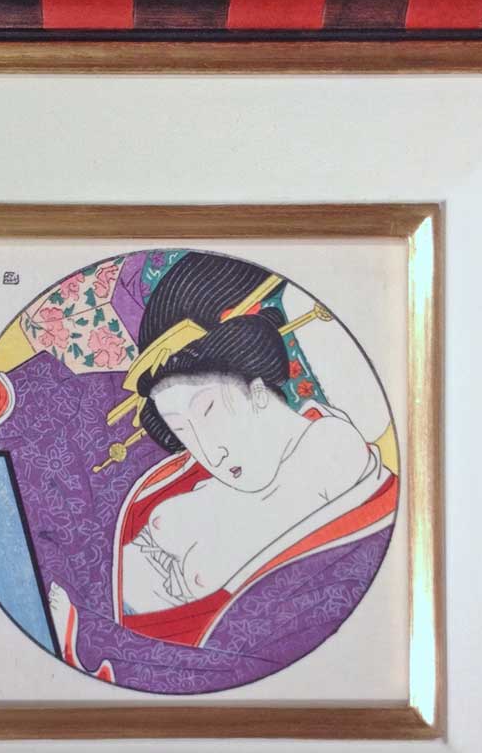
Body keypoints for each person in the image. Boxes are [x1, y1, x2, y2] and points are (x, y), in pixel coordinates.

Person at [47, 252, 396, 686]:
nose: (207, 451)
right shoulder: (185, 474)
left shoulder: (337, 467)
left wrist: (87, 638)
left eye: (208, 409)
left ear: (258, 389)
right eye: (182, 430)